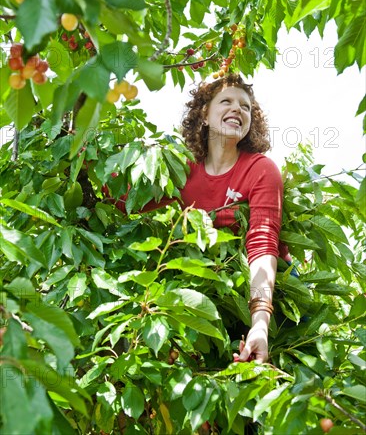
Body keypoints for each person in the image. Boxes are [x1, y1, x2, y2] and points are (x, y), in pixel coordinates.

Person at [106, 74, 290, 364]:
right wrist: (80, 147)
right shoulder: (182, 168)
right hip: (209, 293)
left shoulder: (261, 170)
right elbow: (124, 200)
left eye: (245, 106)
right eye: (226, 101)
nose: (238, 109)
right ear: (204, 113)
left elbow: (262, 244)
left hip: (263, 295)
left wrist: (260, 323)